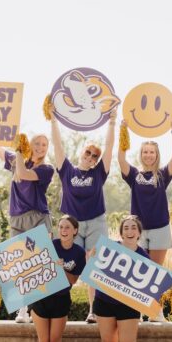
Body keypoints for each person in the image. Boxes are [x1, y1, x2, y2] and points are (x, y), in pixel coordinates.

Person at [50, 109, 117, 324]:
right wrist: (53, 118)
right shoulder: (67, 170)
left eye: (94, 156)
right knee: (67, 264)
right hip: (72, 224)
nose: (90, 157)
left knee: (94, 265)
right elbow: (58, 144)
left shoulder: (99, 173)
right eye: (88, 152)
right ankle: (56, 308)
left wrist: (112, 123)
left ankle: (93, 310)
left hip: (96, 221)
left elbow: (109, 148)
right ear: (81, 152)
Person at [0, 133, 54, 324]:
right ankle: (22, 309)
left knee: (35, 263)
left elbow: (23, 174)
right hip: (17, 219)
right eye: (37, 143)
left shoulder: (46, 169)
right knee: (17, 264)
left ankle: (35, 310)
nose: (41, 147)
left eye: (44, 145)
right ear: (30, 145)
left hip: (37, 217)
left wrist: (17, 152)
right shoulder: (18, 160)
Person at [118, 116, 172, 322]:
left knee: (155, 272)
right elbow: (120, 158)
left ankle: (155, 311)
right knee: (137, 270)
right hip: (138, 231)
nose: (148, 155)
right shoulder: (134, 174)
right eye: (145, 152)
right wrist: (123, 131)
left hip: (160, 228)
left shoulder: (163, 174)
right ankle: (136, 311)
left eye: (152, 152)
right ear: (141, 154)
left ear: (156, 155)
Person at [28, 215, 86, 342]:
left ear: (75, 230)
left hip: (61, 299)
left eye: (67, 227)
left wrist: (61, 270)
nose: (63, 230)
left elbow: (74, 280)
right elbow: (31, 264)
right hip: (40, 297)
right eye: (61, 227)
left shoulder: (78, 252)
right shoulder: (50, 245)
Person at [92, 215, 147, 342]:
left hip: (128, 305)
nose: (129, 231)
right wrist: (92, 255)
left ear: (139, 233)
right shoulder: (108, 248)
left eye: (133, 228)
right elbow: (92, 267)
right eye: (126, 228)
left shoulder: (143, 256)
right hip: (104, 302)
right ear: (121, 232)